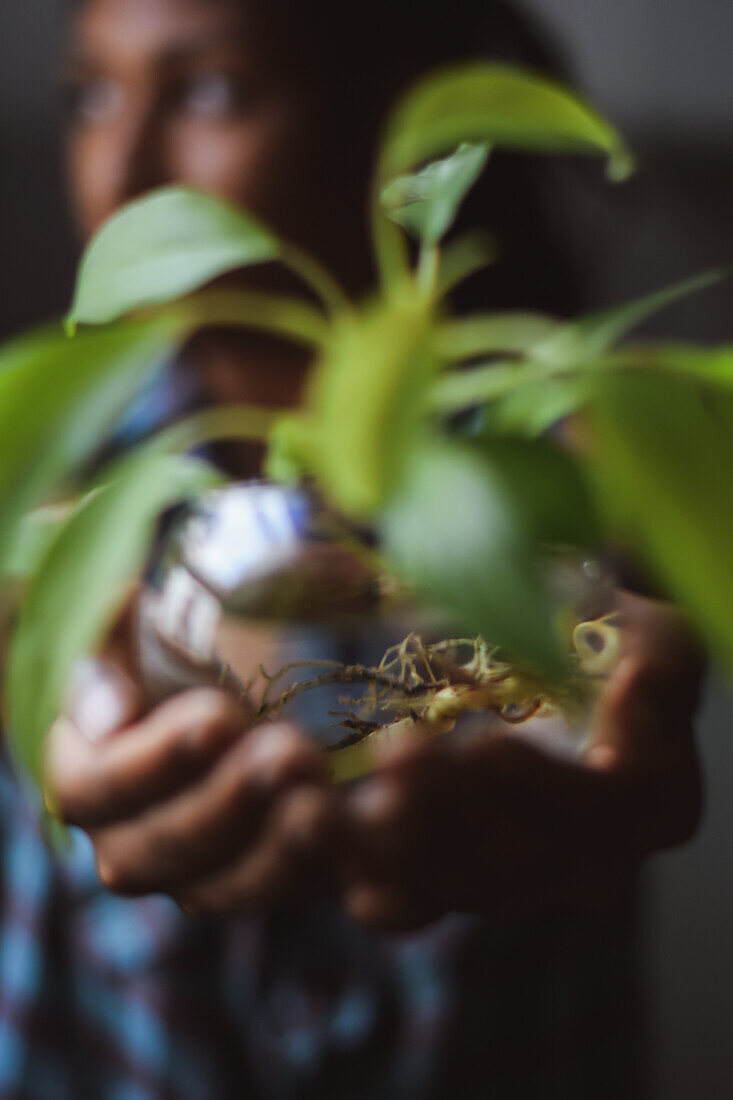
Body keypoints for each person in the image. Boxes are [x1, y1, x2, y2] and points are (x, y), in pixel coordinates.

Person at [0, 1, 703, 1097]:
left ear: (382, 115)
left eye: (210, 91)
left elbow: (625, 612)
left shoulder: (548, 466)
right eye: (89, 95)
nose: (123, 167)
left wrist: (609, 655)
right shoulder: (68, 467)